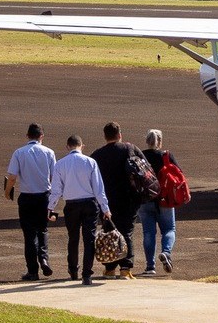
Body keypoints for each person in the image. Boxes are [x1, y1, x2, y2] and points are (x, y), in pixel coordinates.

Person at [48, 135, 111, 285]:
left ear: (67, 146)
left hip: (71, 205)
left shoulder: (60, 164)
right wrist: (105, 208)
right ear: (82, 146)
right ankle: (87, 274)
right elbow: (98, 189)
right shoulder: (90, 162)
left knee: (73, 238)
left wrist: (50, 207)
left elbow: (56, 190)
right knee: (89, 239)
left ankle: (73, 269)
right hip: (90, 203)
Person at [89, 122, 144, 280]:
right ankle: (125, 268)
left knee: (109, 232)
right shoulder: (129, 149)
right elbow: (145, 166)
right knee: (127, 231)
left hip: (106, 201)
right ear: (120, 134)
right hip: (129, 198)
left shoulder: (97, 155)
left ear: (105, 136)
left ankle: (109, 267)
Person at [5, 123, 57, 281]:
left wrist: (8, 192)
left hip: (27, 197)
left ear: (27, 136)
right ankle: (44, 258)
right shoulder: (49, 152)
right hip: (44, 196)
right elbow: (54, 177)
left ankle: (32, 271)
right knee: (42, 230)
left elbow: (12, 176)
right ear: (42, 136)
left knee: (29, 235)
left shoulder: (19, 152)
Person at [138, 129, 179, 276]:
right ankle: (166, 252)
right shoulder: (166, 156)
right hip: (165, 199)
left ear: (147, 141)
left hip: (145, 199)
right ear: (159, 142)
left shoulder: (140, 157)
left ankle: (150, 267)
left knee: (148, 233)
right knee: (169, 229)